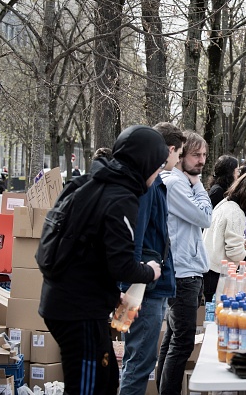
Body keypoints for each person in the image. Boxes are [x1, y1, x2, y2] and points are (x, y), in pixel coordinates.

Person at [38, 125, 166, 395]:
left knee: (107, 380)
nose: (158, 174)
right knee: (88, 386)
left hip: (73, 301)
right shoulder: (120, 197)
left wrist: (111, 296)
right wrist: (150, 272)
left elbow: (86, 251)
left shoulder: (90, 183)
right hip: (77, 310)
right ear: (145, 163)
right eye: (158, 166)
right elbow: (122, 265)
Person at [118, 123, 186, 395]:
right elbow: (136, 237)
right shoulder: (148, 186)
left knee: (135, 359)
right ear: (168, 150)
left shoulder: (153, 183)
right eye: (179, 153)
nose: (179, 160)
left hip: (141, 285)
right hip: (142, 288)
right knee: (140, 361)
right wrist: (133, 282)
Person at [157, 132, 212, 395]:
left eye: (204, 156)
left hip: (184, 269)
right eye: (195, 155)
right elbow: (204, 217)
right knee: (181, 343)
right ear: (180, 156)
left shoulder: (181, 183)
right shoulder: (177, 184)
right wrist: (199, 185)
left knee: (172, 340)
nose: (201, 161)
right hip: (182, 273)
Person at [203, 172, 246, 300]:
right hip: (218, 273)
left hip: (209, 268)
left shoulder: (225, 203)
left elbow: (223, 236)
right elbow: (235, 254)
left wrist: (243, 242)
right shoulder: (236, 212)